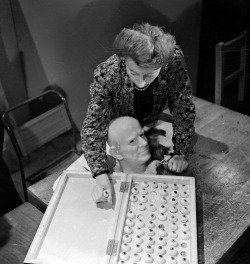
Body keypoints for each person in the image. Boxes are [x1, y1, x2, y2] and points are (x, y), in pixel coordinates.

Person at [81, 23, 195, 204]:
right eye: (134, 73)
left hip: (152, 120)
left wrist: (181, 151)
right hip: (123, 129)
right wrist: (100, 175)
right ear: (124, 60)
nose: (142, 83)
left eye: (149, 75)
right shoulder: (108, 74)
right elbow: (93, 127)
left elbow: (182, 106)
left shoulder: (172, 60)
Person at [91, 116, 161, 203]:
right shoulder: (120, 180)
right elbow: (124, 195)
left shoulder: (160, 166)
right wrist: (100, 190)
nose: (144, 143)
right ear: (116, 153)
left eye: (142, 135)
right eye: (132, 141)